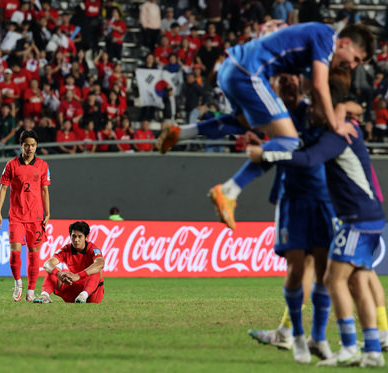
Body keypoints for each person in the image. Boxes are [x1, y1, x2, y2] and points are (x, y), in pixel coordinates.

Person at [159, 23, 374, 230]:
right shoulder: (326, 37)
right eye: (355, 59)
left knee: (245, 123)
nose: (353, 66)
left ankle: (181, 133)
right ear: (344, 42)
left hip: (231, 68)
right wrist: (336, 124)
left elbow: (312, 86)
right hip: (249, 73)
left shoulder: (316, 45)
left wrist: (342, 104)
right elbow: (318, 86)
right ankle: (229, 191)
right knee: (288, 141)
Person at [247, 69, 386, 367]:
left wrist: (266, 155)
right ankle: (373, 350)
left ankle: (349, 345)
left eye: (315, 104)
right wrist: (344, 107)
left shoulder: (337, 135)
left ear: (327, 104)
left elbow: (309, 159)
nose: (310, 109)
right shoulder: (344, 126)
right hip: (367, 217)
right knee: (359, 280)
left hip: (357, 219)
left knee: (333, 279)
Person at [245, 73, 335, 363]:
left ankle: (317, 337)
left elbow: (343, 103)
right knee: (297, 268)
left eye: (292, 78)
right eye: (281, 80)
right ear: (274, 87)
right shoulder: (275, 115)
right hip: (292, 199)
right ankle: (295, 336)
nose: (288, 83)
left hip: (323, 197)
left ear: (303, 81)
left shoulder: (315, 108)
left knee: (323, 270)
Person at [0, 130, 51, 302]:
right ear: (21, 145)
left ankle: (31, 291)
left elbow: (44, 190)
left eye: (33, 145)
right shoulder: (11, 165)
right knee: (15, 253)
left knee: (34, 254)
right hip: (16, 216)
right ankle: (18, 283)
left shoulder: (43, 166)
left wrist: (47, 213)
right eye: (27, 145)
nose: (30, 148)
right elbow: (3, 188)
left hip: (35, 217)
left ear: (37, 146)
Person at [34, 221, 105, 304]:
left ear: (86, 237)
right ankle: (44, 296)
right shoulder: (66, 249)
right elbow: (47, 264)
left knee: (96, 270)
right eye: (73, 236)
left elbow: (100, 264)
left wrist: (78, 275)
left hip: (91, 294)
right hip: (73, 288)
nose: (76, 240)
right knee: (54, 270)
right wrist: (58, 274)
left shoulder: (92, 249)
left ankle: (83, 295)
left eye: (79, 237)